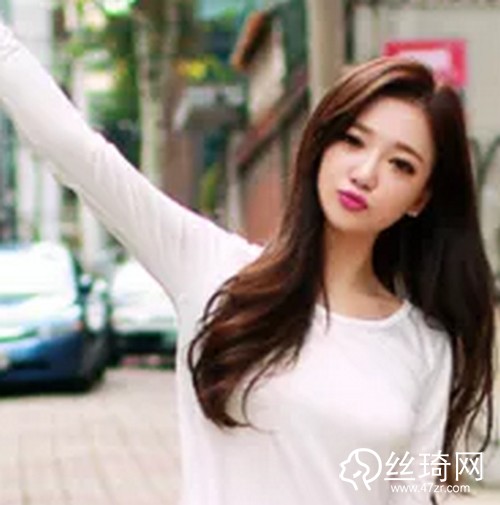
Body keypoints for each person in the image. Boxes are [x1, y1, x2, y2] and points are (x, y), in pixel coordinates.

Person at [0, 16, 496, 505]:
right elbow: (76, 151)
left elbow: (413, 494)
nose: (366, 173)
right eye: (353, 140)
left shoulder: (425, 346)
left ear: (420, 198)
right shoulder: (213, 270)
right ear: (323, 143)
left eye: (400, 164)